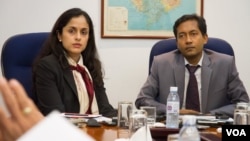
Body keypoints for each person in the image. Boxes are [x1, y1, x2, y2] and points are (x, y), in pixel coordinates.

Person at [135, 14, 249, 118]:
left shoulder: (225, 63)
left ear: (205, 38)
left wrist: (210, 115)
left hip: (212, 129)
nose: (188, 40)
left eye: (193, 34)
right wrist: (174, 111)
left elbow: (243, 104)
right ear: (177, 42)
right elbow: (142, 100)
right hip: (174, 126)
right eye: (182, 36)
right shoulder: (161, 63)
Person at [32, 8, 117, 117]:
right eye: (71, 31)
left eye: (84, 32)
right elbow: (56, 115)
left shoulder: (92, 66)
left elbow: (105, 109)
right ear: (59, 35)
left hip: (95, 130)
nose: (78, 37)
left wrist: (125, 118)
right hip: (65, 131)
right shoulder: (47, 66)